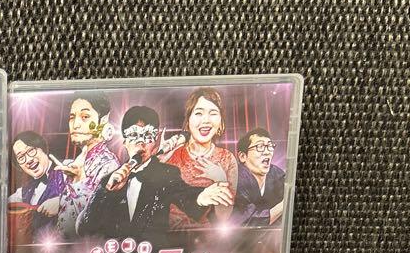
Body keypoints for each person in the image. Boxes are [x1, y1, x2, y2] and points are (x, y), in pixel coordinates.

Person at [80, 105, 233, 238]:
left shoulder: (167, 173)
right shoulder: (109, 180)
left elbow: (185, 196)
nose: (141, 142)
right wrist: (107, 191)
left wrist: (201, 197)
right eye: (134, 135)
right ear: (124, 141)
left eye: (148, 135)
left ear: (156, 140)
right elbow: (85, 228)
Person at [162, 87, 239, 230]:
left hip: (209, 239)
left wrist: (220, 179)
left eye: (213, 113)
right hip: (168, 237)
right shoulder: (170, 155)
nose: (206, 120)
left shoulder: (227, 159)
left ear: (221, 123)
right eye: (198, 113)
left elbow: (224, 218)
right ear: (188, 120)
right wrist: (158, 160)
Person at [56, 92, 121, 237]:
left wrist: (80, 180)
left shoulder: (109, 164)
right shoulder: (76, 162)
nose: (75, 124)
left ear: (103, 121)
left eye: (85, 117)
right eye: (72, 117)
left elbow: (94, 222)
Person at [232, 128, 285, 227]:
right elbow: (249, 221)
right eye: (260, 146)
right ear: (242, 156)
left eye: (270, 146)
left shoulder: (276, 173)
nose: (267, 152)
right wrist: (285, 204)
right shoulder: (234, 180)